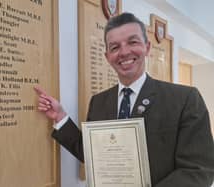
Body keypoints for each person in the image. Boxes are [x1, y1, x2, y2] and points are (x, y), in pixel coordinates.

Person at [34, 12, 214, 186]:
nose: (124, 52)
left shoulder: (185, 99)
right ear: (107, 57)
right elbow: (94, 156)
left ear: (147, 47)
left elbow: (199, 170)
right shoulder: (99, 102)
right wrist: (60, 116)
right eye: (115, 47)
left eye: (132, 42)